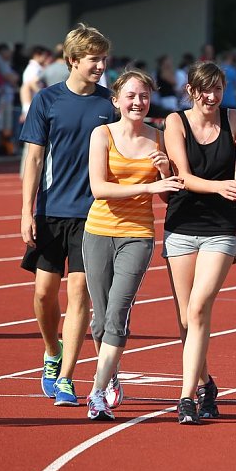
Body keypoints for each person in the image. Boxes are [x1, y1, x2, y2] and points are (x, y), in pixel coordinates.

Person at [20, 24, 116, 406]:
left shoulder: (110, 104)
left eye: (104, 59)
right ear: (73, 60)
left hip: (92, 214)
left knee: (79, 293)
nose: (101, 66)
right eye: (94, 59)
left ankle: (66, 378)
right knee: (44, 293)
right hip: (50, 212)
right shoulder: (47, 100)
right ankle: (52, 350)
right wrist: (26, 212)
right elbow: (34, 158)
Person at [83, 70, 184, 420]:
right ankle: (110, 374)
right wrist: (149, 187)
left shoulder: (159, 139)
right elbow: (99, 188)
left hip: (137, 235)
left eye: (143, 96)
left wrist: (165, 172)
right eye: (130, 96)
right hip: (98, 232)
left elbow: (170, 196)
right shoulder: (102, 134)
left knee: (117, 313)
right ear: (116, 101)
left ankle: (96, 393)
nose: (138, 102)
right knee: (99, 320)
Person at [163, 60, 236, 424]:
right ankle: (206, 383)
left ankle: (186, 397)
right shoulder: (175, 122)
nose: (212, 96)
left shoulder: (234, 119)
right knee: (185, 319)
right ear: (191, 91)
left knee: (199, 307)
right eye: (205, 90)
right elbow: (183, 178)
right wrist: (220, 186)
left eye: (218, 89)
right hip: (181, 223)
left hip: (220, 227)